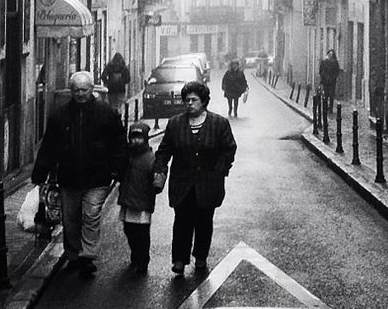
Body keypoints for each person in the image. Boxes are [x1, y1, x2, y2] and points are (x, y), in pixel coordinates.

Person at [31, 70, 126, 277]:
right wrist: (40, 173)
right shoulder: (60, 115)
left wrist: (119, 169)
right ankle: (73, 255)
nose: (80, 94)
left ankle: (87, 255)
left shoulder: (106, 113)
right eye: (76, 90)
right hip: (69, 176)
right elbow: (49, 146)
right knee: (70, 218)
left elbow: (118, 142)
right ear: (71, 91)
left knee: (90, 215)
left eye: (84, 89)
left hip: (98, 176)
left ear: (92, 89)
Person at [153, 80, 236, 276]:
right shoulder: (175, 124)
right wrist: (160, 167)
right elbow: (164, 150)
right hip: (182, 182)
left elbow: (229, 149)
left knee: (204, 221)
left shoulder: (219, 124)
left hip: (208, 183)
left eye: (194, 100)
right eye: (187, 100)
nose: (190, 103)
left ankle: (200, 256)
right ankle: (179, 260)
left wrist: (219, 170)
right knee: (182, 221)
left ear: (204, 101)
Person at [118, 121, 156, 273]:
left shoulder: (150, 158)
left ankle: (142, 260)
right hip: (128, 200)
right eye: (133, 137)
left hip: (142, 201)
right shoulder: (127, 156)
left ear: (145, 139)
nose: (136, 141)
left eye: (139, 138)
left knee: (141, 233)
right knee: (129, 230)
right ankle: (135, 256)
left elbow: (157, 175)